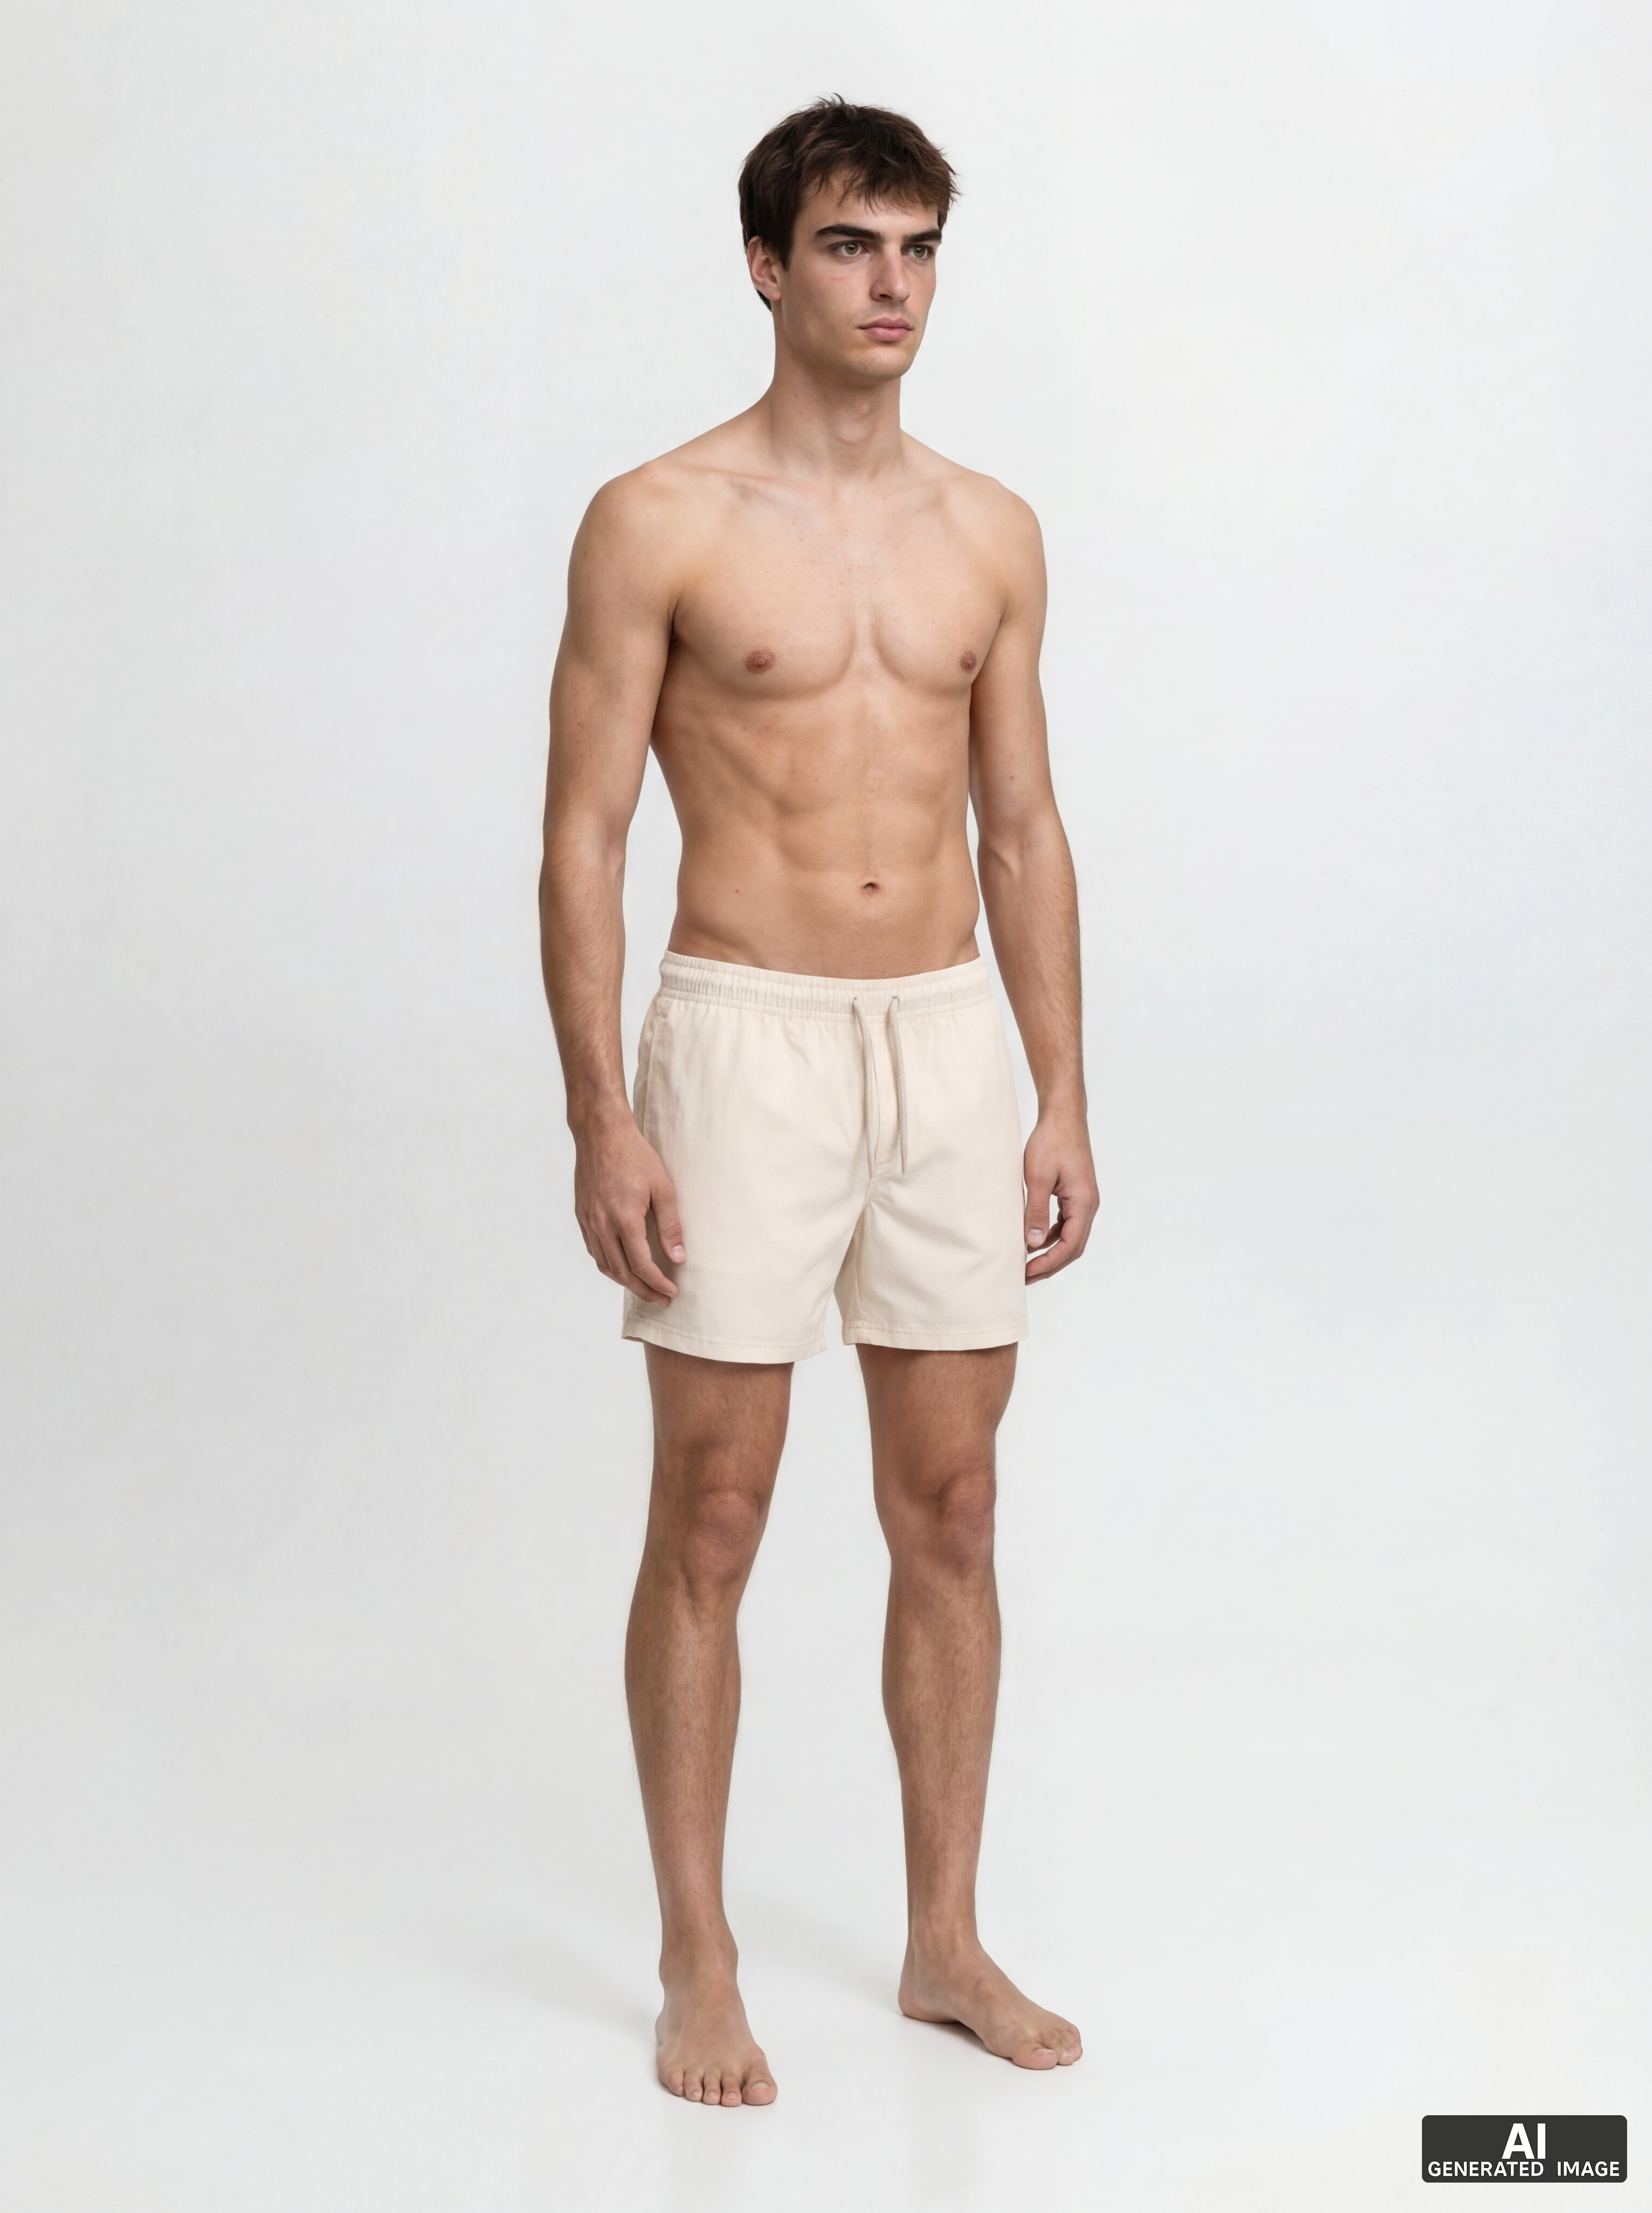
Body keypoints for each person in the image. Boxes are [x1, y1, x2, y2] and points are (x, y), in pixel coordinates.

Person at [539, 96, 1097, 2107]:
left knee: (953, 1506)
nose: (893, 286)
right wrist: (601, 1115)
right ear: (768, 266)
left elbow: (1021, 831)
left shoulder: (990, 531)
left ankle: (942, 1938)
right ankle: (697, 1955)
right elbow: (583, 840)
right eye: (854, 245)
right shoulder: (658, 519)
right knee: (713, 1510)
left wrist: (1060, 1093)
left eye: (920, 247)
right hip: (743, 1038)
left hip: (941, 1044)